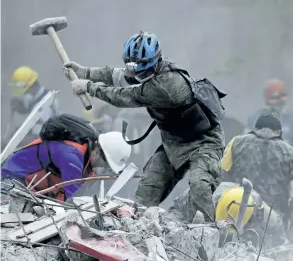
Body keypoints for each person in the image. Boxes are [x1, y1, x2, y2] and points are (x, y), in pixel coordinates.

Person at [63, 31, 226, 222]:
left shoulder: (167, 85)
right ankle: (139, 228)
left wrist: (89, 87)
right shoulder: (145, 71)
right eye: (135, 70)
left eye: (144, 72)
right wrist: (85, 72)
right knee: (146, 190)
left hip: (203, 142)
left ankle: (205, 233)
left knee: (200, 186)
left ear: (156, 62)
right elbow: (116, 75)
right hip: (173, 143)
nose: (139, 76)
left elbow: (123, 96)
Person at [1, 113, 131, 201]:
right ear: (97, 151)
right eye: (105, 163)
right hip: (13, 179)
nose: (102, 167)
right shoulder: (72, 157)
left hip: (33, 187)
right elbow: (73, 201)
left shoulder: (86, 163)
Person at [221, 108, 293, 241]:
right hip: (271, 220)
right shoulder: (289, 152)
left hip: (235, 209)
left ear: (256, 127)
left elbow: (221, 175)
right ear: (278, 131)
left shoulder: (236, 142)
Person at [168, 181, 285, 247]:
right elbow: (174, 213)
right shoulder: (199, 197)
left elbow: (278, 229)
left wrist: (272, 250)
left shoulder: (258, 208)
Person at [7, 66, 59, 146]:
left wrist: (11, 143)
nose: (22, 96)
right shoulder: (36, 94)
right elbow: (27, 106)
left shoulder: (45, 107)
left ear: (32, 87)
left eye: (24, 91)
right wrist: (20, 106)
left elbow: (38, 138)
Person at [246, 79, 293, 145]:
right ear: (266, 98)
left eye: (281, 97)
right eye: (274, 97)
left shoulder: (291, 119)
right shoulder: (254, 119)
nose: (278, 101)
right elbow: (245, 142)